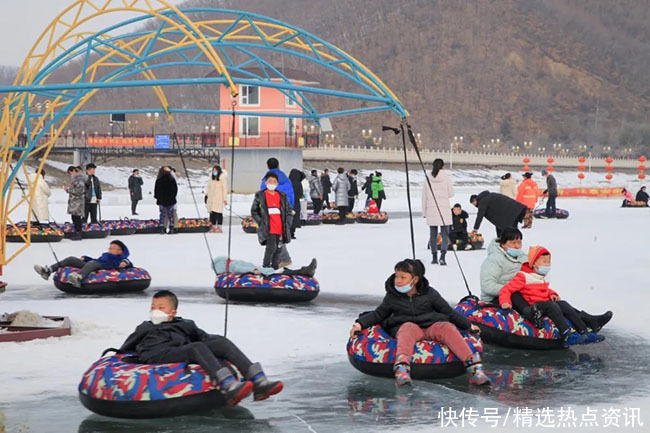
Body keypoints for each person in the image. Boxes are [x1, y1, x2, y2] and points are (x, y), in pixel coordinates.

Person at [119, 290, 283, 406]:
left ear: (172, 312)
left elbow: (204, 337)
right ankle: (228, 386)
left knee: (220, 342)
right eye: (153, 307)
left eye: (161, 308)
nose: (155, 311)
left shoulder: (185, 324)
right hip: (156, 355)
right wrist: (122, 357)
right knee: (195, 348)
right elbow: (128, 346)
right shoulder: (145, 327)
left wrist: (217, 344)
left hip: (178, 351)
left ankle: (259, 382)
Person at [349, 259, 490, 387]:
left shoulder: (430, 293)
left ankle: (474, 368)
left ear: (415, 279)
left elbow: (448, 312)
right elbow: (379, 314)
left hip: (431, 325)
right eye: (397, 276)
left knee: (447, 327)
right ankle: (402, 368)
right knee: (407, 328)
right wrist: (359, 324)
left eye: (403, 277)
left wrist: (468, 325)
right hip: (408, 326)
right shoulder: (392, 296)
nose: (397, 280)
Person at [480, 228, 613, 332]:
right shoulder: (494, 260)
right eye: (512, 242)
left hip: (523, 291)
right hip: (502, 297)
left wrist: (548, 293)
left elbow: (534, 278)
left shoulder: (522, 258)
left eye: (519, 242)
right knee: (516, 293)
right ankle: (531, 315)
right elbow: (487, 285)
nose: (516, 246)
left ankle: (587, 320)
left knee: (558, 303)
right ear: (503, 244)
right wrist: (513, 288)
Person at [499, 246, 604, 346]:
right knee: (552, 306)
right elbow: (506, 289)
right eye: (544, 262)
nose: (547, 265)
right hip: (534, 306)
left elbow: (544, 289)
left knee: (563, 304)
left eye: (548, 262)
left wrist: (552, 293)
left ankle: (584, 330)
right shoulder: (523, 276)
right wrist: (505, 302)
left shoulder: (541, 277)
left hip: (544, 302)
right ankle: (567, 334)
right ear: (534, 263)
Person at [34, 240, 132, 288]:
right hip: (96, 263)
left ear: (120, 251)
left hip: (105, 267)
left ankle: (79, 278)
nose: (110, 250)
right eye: (109, 248)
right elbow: (96, 260)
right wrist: (86, 258)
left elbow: (128, 262)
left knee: (92, 263)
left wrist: (124, 262)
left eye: (113, 248)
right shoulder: (105, 255)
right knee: (71, 259)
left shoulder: (121, 258)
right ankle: (48, 271)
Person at [251, 172, 293, 269]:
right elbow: (254, 211)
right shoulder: (260, 195)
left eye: (274, 181)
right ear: (265, 182)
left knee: (278, 249)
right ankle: (266, 266)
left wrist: (287, 223)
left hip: (280, 226)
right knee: (270, 248)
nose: (272, 183)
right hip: (268, 227)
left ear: (277, 184)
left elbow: (288, 211)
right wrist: (261, 222)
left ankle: (275, 267)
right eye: (270, 181)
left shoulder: (282, 196)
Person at [422, 159, 454, 265]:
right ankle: (443, 257)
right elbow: (451, 193)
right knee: (445, 234)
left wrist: (424, 212)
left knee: (433, 235)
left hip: (431, 209)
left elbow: (424, 196)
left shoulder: (427, 178)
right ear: (442, 166)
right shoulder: (446, 177)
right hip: (444, 209)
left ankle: (434, 257)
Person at [212, 256, 317, 277]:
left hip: (263, 271)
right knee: (282, 273)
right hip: (264, 273)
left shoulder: (231, 265)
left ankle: (304, 270)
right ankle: (305, 271)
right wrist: (253, 270)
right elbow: (241, 269)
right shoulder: (233, 265)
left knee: (283, 271)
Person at [64, 165, 87, 241]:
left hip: (77, 201)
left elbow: (79, 190)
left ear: (73, 171)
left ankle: (79, 233)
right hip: (75, 201)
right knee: (74, 217)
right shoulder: (77, 178)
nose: (70, 175)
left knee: (76, 217)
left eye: (70, 173)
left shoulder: (79, 179)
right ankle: (77, 232)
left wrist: (68, 190)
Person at [154, 166, 178, 234]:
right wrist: (173, 197)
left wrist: (157, 197)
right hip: (171, 200)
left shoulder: (159, 180)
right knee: (171, 215)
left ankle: (162, 228)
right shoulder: (172, 179)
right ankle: (172, 228)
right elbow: (175, 190)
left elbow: (156, 191)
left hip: (162, 200)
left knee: (162, 215)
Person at [204, 165, 228, 233]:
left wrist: (225, 199)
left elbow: (224, 189)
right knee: (212, 213)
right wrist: (206, 195)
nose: (214, 172)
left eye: (215, 170)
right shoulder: (211, 178)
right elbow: (209, 188)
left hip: (219, 198)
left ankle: (219, 227)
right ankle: (213, 226)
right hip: (211, 198)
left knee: (218, 213)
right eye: (213, 170)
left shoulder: (222, 178)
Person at [288, 169, 306, 238]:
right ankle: (292, 233)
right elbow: (300, 194)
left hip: (288, 202)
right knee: (295, 217)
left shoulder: (288, 182)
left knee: (288, 217)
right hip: (296, 202)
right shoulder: (298, 183)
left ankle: (287, 232)